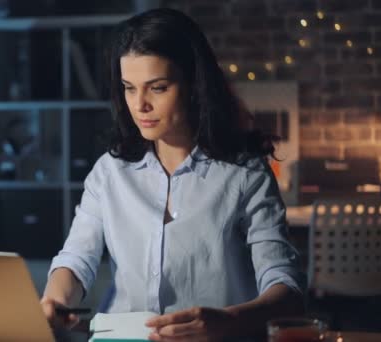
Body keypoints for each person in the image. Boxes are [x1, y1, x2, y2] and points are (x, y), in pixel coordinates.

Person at [40, 8, 305, 341]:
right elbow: (77, 259)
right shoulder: (110, 172)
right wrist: (54, 300)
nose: (140, 105)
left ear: (193, 85)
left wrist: (229, 320)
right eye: (129, 88)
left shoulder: (244, 174)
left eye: (158, 88)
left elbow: (287, 288)